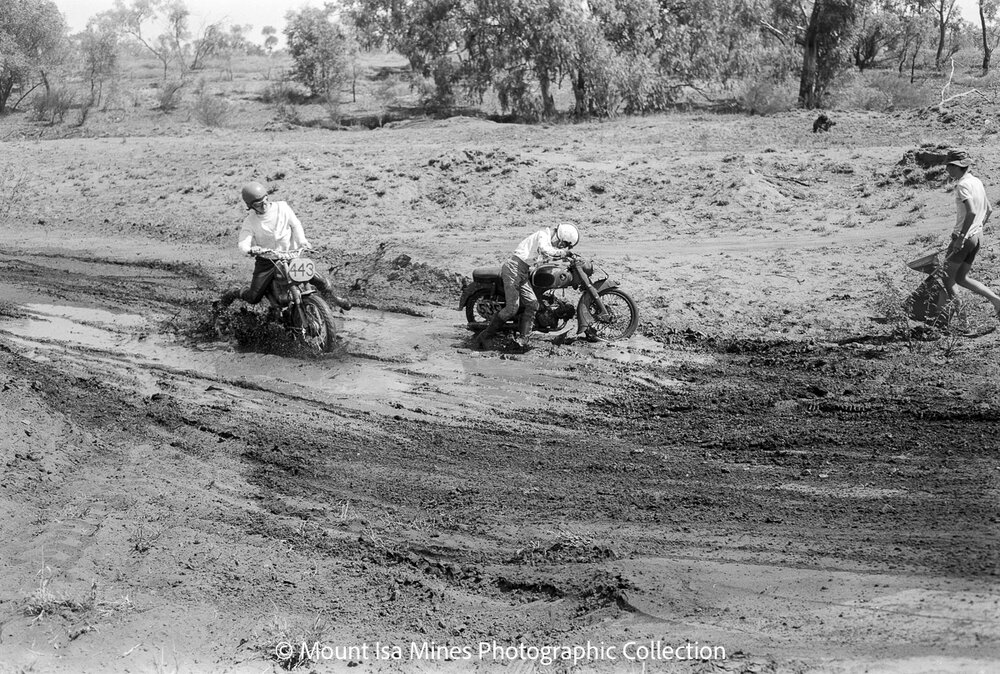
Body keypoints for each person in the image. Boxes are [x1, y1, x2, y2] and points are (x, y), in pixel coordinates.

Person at [218, 182, 350, 310]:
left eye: (265, 200)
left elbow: (295, 225)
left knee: (319, 280)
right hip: (267, 261)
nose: (264, 205)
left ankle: (333, 299)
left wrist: (302, 241)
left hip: (291, 256)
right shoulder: (250, 221)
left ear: (268, 197)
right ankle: (235, 292)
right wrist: (250, 249)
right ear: (250, 206)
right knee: (254, 297)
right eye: (258, 204)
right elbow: (243, 243)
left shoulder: (283, 207)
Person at [473, 223, 579, 351]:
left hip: (523, 271)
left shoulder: (546, 240)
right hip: (513, 269)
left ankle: (523, 340)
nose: (560, 246)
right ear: (561, 238)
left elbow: (547, 255)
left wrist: (566, 258)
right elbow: (546, 250)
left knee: (533, 304)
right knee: (512, 308)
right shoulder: (543, 235)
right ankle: (485, 336)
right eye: (563, 244)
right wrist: (564, 253)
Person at [942, 156, 1000, 321]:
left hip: (965, 238)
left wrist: (961, 238)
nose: (947, 169)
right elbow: (988, 209)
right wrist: (977, 228)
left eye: (949, 165)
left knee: (947, 278)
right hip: (977, 236)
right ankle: (996, 300)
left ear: (958, 166)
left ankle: (963, 321)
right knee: (961, 278)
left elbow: (972, 211)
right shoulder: (976, 181)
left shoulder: (962, 185)